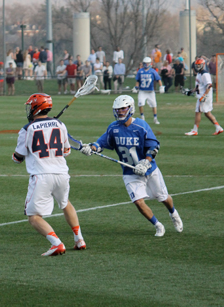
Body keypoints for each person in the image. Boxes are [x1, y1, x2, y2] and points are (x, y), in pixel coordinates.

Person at [79, 95, 183, 237]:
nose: (120, 111)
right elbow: (101, 143)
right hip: (130, 172)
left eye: (123, 108)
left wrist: (146, 162)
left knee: (163, 197)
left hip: (149, 169)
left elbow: (154, 146)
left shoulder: (141, 126)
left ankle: (173, 214)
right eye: (117, 109)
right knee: (138, 202)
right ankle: (158, 225)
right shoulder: (113, 128)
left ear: (130, 108)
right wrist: (91, 148)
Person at [12, 93, 87, 256]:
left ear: (36, 108)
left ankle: (57, 243)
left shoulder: (27, 129)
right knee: (65, 203)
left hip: (41, 176)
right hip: (61, 174)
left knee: (33, 217)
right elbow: (66, 151)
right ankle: (79, 239)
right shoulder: (60, 124)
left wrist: (19, 157)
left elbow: (18, 157)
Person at [185, 58, 224, 136]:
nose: (198, 66)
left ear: (203, 65)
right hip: (203, 96)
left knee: (198, 112)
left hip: (204, 96)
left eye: (199, 64)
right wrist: (191, 91)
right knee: (207, 113)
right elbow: (198, 86)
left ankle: (195, 130)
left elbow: (209, 85)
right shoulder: (199, 74)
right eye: (197, 65)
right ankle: (218, 128)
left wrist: (204, 96)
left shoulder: (205, 74)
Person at [134, 57, 163, 124]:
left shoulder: (153, 71)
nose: (146, 65)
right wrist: (136, 87)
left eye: (148, 63)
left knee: (154, 105)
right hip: (142, 91)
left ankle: (155, 118)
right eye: (145, 63)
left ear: (150, 63)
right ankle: (142, 117)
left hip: (150, 91)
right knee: (140, 103)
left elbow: (158, 79)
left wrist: (161, 86)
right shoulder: (140, 71)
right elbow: (138, 80)